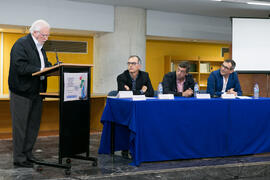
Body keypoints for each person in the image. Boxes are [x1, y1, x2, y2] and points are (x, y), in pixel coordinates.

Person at [8, 19, 52, 168]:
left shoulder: (41, 48)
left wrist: (54, 67)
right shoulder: (21, 44)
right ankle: (19, 158)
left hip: (37, 93)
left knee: (33, 126)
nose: (46, 38)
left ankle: (28, 154)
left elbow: (44, 65)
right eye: (44, 35)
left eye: (47, 36)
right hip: (21, 92)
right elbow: (20, 66)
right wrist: (40, 69)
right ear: (35, 32)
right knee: (21, 127)